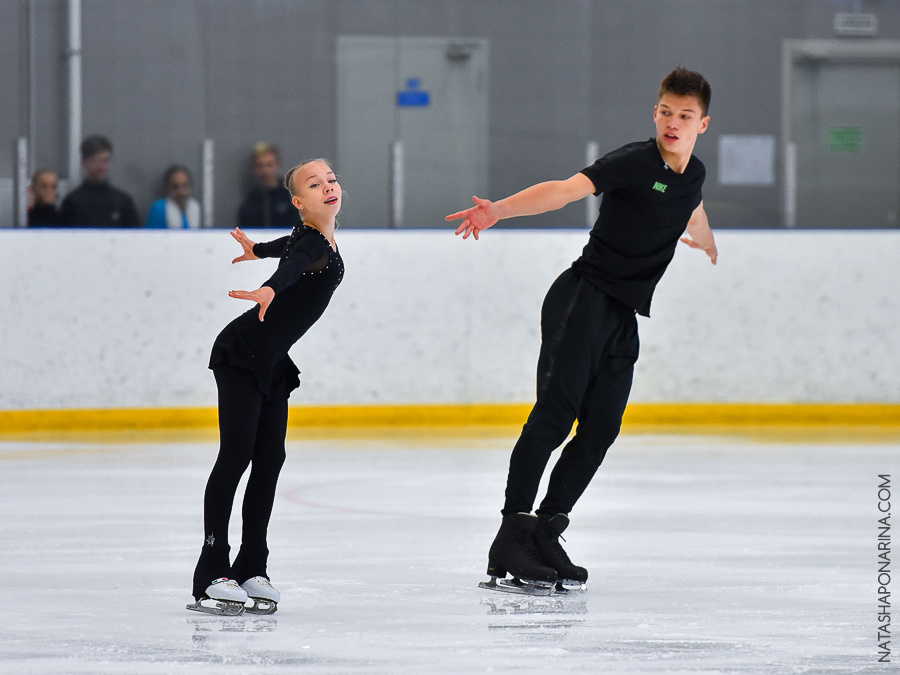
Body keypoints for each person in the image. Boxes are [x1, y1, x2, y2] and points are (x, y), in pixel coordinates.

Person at [446, 67, 718, 593]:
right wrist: (498, 210)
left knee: (601, 429)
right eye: (666, 111)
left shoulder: (694, 174)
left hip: (622, 317)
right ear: (656, 112)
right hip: (582, 300)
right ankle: (511, 534)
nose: (672, 123)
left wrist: (705, 240)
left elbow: (693, 206)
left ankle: (547, 531)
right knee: (553, 418)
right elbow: (565, 191)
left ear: (701, 124)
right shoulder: (636, 161)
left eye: (685, 116)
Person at [188, 158, 344, 615]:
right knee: (236, 457)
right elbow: (295, 263)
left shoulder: (314, 236)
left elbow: (288, 246)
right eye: (315, 185)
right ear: (299, 202)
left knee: (270, 460)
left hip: (273, 361)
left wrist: (256, 249)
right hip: (243, 353)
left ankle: (252, 565)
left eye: (331, 179)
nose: (328, 187)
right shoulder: (313, 240)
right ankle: (211, 571)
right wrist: (270, 286)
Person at [58, 135, 140, 227]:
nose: (101, 167)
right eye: (96, 161)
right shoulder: (72, 202)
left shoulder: (123, 201)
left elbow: (134, 235)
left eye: (105, 160)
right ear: (84, 161)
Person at [237, 143, 297, 229]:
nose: (265, 171)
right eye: (260, 166)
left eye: (269, 165)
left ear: (278, 166)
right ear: (254, 169)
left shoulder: (291, 197)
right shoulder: (250, 202)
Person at [145, 164, 202, 229]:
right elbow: (151, 235)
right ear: (168, 188)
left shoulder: (195, 207)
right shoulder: (159, 208)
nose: (181, 192)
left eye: (185, 186)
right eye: (175, 187)